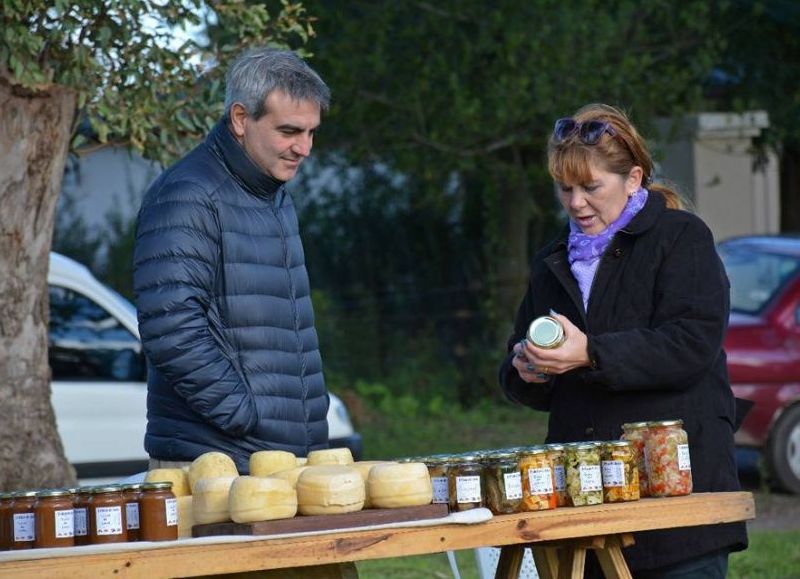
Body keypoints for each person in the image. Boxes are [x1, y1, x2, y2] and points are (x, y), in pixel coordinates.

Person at [499, 104, 747, 577]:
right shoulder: (552, 258)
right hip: (588, 501)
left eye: (591, 187)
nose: (575, 203)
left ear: (633, 178)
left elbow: (690, 345)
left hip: (677, 503)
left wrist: (590, 353)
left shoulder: (682, 238)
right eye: (565, 188)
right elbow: (521, 368)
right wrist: (526, 369)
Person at [133, 48, 331, 473]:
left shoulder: (272, 195)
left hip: (275, 461)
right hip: (215, 466)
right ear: (241, 119)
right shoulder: (188, 194)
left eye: (312, 132)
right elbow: (170, 326)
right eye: (290, 131)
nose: (304, 148)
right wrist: (244, 416)